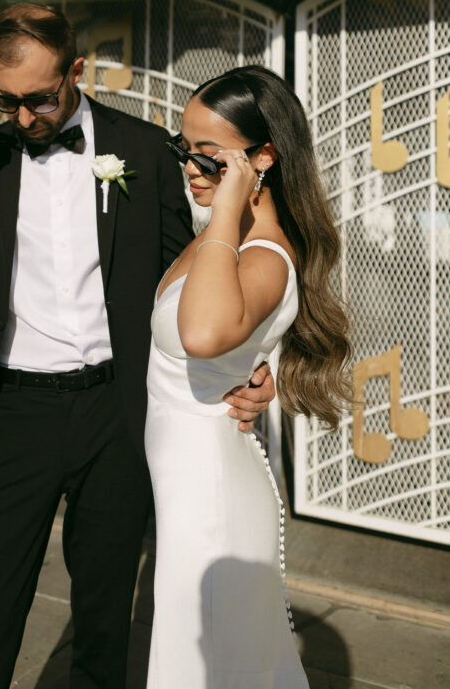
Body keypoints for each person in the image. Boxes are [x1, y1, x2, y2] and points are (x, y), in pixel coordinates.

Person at [0, 4, 276, 689]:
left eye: (40, 99)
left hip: (115, 410)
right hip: (11, 414)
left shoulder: (140, 151)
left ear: (76, 71)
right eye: (6, 100)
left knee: (104, 622)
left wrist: (248, 367)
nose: (23, 117)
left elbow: (188, 282)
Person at [145, 65, 353, 688]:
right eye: (184, 149)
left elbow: (203, 335)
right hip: (188, 485)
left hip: (209, 496)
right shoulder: (223, 235)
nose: (190, 169)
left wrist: (228, 209)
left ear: (263, 157)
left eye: (210, 158)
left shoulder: (259, 252)